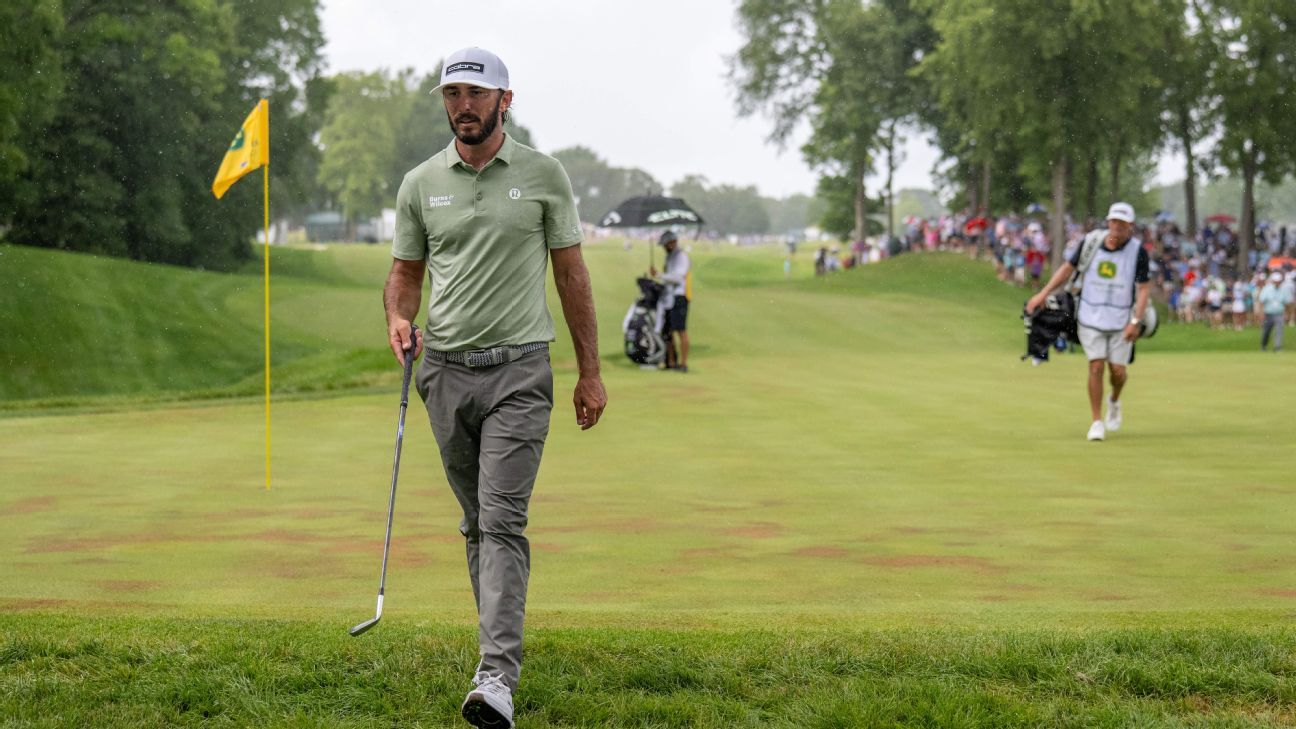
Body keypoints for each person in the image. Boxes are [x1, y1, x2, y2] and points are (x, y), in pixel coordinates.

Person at [382, 47, 607, 729]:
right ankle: (496, 655)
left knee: (502, 519)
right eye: (452, 94)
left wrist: (589, 370)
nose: (463, 106)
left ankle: (496, 676)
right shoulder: (421, 183)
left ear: (505, 101)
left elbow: (570, 275)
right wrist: (398, 318)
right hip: (444, 374)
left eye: (476, 94)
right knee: (477, 522)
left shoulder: (543, 175)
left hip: (520, 373)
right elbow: (406, 275)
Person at [1027, 202, 1151, 442]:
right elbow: (1067, 269)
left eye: (1122, 223)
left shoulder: (1138, 251)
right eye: (1114, 221)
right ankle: (1096, 421)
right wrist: (1043, 294)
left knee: (1118, 372)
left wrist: (1136, 321)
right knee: (1096, 367)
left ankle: (1114, 399)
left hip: (1121, 319)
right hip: (1090, 315)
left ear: (1130, 226)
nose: (1117, 226)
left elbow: (1144, 288)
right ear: (1109, 221)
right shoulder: (1091, 242)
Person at [649, 229, 691, 372]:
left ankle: (683, 364)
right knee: (667, 331)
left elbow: (678, 278)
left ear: (673, 242)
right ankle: (671, 362)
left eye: (666, 244)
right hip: (668, 298)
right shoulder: (669, 257)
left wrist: (660, 275)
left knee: (680, 330)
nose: (664, 247)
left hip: (680, 296)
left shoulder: (681, 257)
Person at [1259, 272, 1290, 351]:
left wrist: (1286, 313)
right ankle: (1263, 346)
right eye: (1275, 281)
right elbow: (1262, 302)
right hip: (1268, 314)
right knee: (1266, 331)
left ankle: (1277, 347)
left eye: (1278, 281)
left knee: (1279, 330)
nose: (1277, 283)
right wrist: (1261, 313)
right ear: (1273, 281)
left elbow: (1287, 303)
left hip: (1279, 313)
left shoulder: (1284, 290)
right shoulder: (1267, 289)